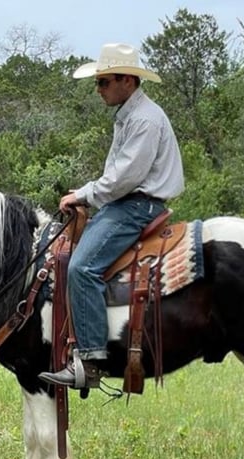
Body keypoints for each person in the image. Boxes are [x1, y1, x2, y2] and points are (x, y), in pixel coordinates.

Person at [38, 43, 185, 390]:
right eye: (99, 82)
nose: (98, 89)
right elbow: (118, 176)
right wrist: (88, 193)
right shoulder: (131, 115)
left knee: (81, 268)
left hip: (136, 206)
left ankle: (90, 361)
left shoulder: (145, 120)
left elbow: (125, 178)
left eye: (104, 82)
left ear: (127, 81)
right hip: (125, 202)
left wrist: (83, 194)